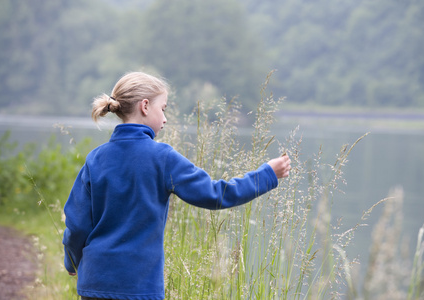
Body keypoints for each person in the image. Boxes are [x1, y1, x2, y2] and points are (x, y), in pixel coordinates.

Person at [62, 71, 291, 300]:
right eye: (163, 108)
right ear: (144, 106)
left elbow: (77, 224)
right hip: (138, 287)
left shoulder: (95, 158)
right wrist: (267, 174)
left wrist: (72, 261)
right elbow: (216, 194)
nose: (165, 118)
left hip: (95, 283)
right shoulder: (162, 157)